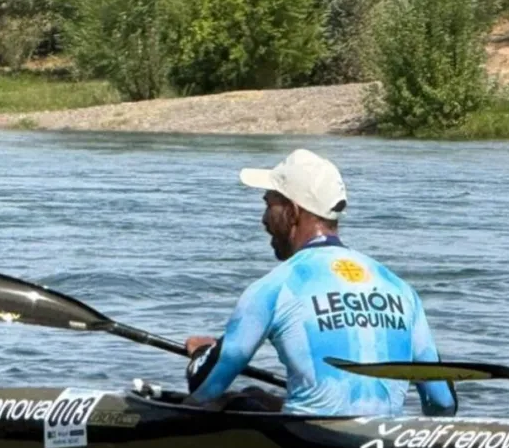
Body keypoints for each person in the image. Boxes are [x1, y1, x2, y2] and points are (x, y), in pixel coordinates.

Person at [184, 148, 457, 417]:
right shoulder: (399, 288)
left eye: (268, 205)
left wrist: (202, 354)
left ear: (292, 212)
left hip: (308, 445)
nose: (263, 219)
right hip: (384, 444)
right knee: (257, 396)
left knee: (232, 402)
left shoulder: (274, 286)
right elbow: (443, 402)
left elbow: (205, 387)